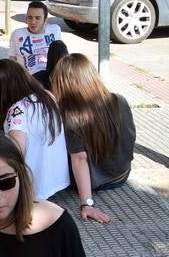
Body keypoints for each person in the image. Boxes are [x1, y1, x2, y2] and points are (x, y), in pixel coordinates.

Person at [52, 53, 136, 225]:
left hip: (97, 182)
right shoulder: (119, 100)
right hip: (122, 174)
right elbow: (130, 136)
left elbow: (79, 159)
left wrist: (86, 203)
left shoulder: (72, 116)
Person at [0, 58, 69, 201]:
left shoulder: (17, 110)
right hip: (57, 181)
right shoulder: (47, 96)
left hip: (33, 188)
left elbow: (14, 155)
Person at [9, 1, 61, 75]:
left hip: (51, 76)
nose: (33, 22)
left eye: (37, 18)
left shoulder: (54, 30)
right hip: (29, 79)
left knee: (60, 46)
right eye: (30, 18)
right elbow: (12, 59)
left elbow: (61, 57)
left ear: (45, 20)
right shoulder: (17, 34)